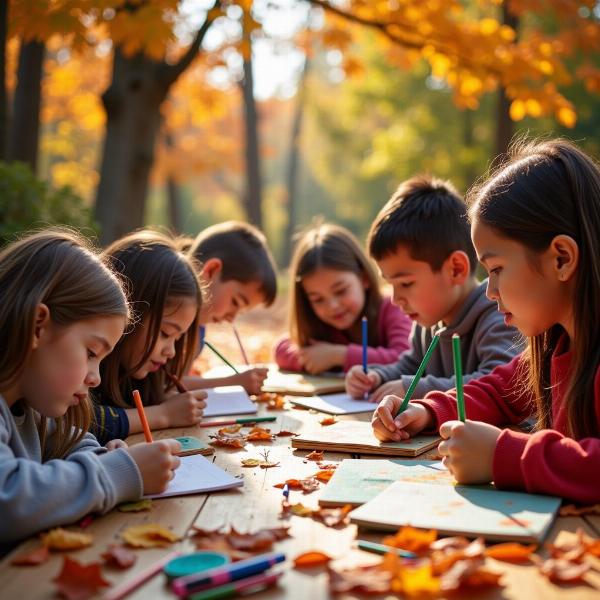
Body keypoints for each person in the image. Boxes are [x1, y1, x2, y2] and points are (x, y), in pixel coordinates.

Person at [372, 139, 600, 503]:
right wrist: (427, 410)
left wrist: (501, 456)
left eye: (496, 269)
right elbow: (500, 390)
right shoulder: (558, 341)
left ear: (561, 258)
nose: (490, 291)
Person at [0, 230, 180, 547]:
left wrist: (103, 457)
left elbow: (73, 439)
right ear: (37, 326)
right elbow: (8, 500)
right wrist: (119, 473)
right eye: (91, 354)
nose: (95, 377)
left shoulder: (31, 403)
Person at [346, 175, 519, 402]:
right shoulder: (429, 322)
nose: (396, 299)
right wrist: (377, 376)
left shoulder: (499, 315)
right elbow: (413, 365)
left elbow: (500, 385)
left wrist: (414, 388)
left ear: (456, 269)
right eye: (391, 284)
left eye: (406, 284)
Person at [93, 230, 206, 445]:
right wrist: (163, 414)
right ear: (130, 310)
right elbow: (76, 421)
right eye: (165, 334)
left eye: (177, 338)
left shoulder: (135, 376)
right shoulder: (83, 370)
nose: (171, 351)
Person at [275, 223, 412, 375]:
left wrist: (338, 356)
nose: (332, 306)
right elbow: (281, 350)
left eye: (340, 291)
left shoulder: (392, 307)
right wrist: (316, 358)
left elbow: (405, 359)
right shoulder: (317, 323)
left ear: (364, 278)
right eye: (318, 299)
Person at [185, 221, 278, 394]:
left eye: (241, 311)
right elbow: (166, 389)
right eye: (236, 302)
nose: (231, 318)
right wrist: (233, 382)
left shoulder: (198, 330)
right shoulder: (168, 320)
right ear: (211, 270)